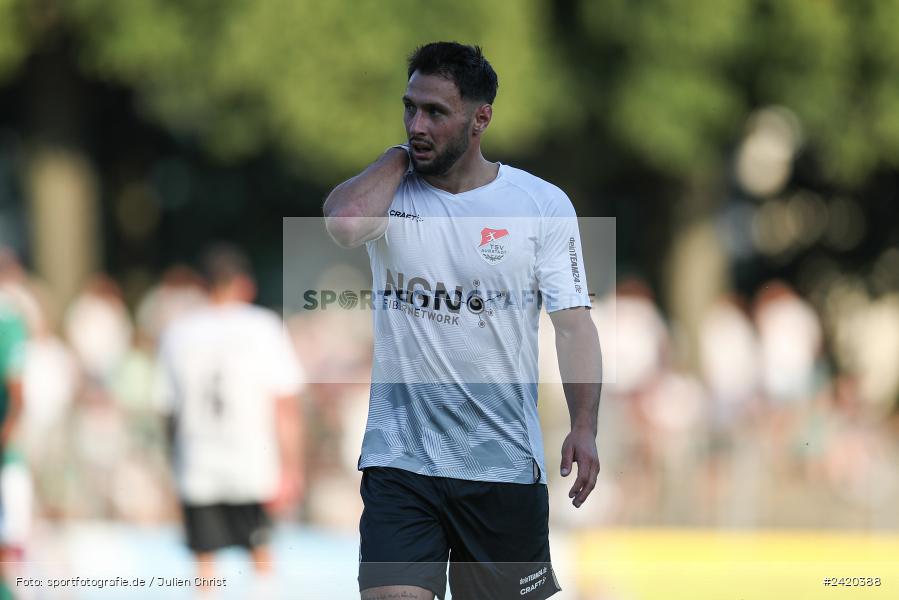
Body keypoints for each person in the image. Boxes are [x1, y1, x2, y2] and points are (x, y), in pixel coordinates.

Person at [324, 42, 602, 600]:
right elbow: (344, 226)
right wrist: (396, 156)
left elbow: (573, 326)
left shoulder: (540, 205)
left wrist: (585, 425)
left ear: (481, 119)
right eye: (410, 108)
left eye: (435, 112)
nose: (417, 124)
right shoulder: (390, 190)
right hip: (400, 462)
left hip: (500, 464)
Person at [155, 245, 304, 583]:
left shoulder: (178, 331)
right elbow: (285, 404)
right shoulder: (264, 326)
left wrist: (173, 464)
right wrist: (293, 466)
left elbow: (166, 409)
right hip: (253, 460)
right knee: (261, 554)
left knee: (204, 559)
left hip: (197, 460)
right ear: (244, 284)